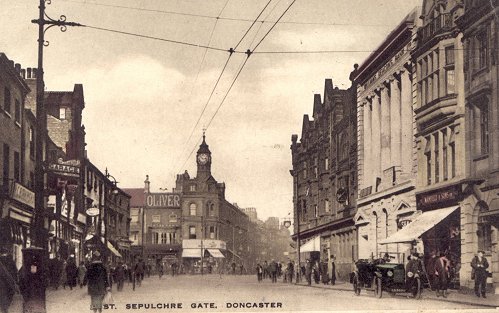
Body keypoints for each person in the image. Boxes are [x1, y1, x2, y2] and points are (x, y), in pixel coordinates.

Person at [18, 248, 48, 313]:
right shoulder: (42, 268)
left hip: (29, 292)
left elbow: (21, 280)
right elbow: (45, 280)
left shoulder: (24, 268)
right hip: (38, 293)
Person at [0, 248, 18, 313]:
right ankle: (5, 309)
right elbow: (15, 271)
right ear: (7, 252)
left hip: (2, 283)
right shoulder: (11, 260)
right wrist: (15, 281)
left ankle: (4, 308)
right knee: (8, 296)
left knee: (3, 297)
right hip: (10, 282)